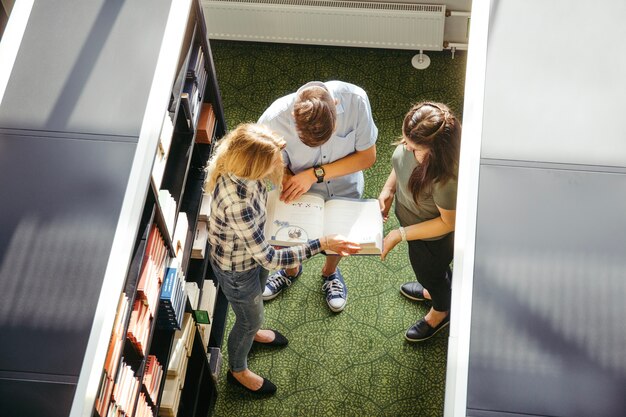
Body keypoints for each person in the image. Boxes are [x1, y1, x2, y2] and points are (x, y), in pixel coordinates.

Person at [205, 123, 361, 395]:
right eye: (274, 159)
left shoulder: (242, 173)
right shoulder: (237, 202)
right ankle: (238, 369)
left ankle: (255, 332)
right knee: (247, 320)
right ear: (255, 164)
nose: (280, 162)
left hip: (251, 252)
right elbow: (269, 259)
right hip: (237, 268)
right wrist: (321, 243)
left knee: (255, 310)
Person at [258, 80, 378, 312]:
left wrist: (315, 174)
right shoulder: (272, 120)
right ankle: (290, 270)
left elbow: (367, 157)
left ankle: (330, 272)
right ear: (294, 118)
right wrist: (285, 178)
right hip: (297, 193)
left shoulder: (356, 100)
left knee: (337, 241)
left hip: (345, 187)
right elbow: (270, 163)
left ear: (336, 104)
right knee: (290, 237)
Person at [378, 102, 461, 342]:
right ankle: (435, 289)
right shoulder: (414, 144)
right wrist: (388, 189)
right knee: (432, 274)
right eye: (405, 142)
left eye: (413, 147)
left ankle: (441, 310)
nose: (405, 147)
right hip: (413, 222)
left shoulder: (447, 179)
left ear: (437, 151)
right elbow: (400, 164)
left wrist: (398, 235)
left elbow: (448, 223)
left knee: (430, 273)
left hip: (432, 239)